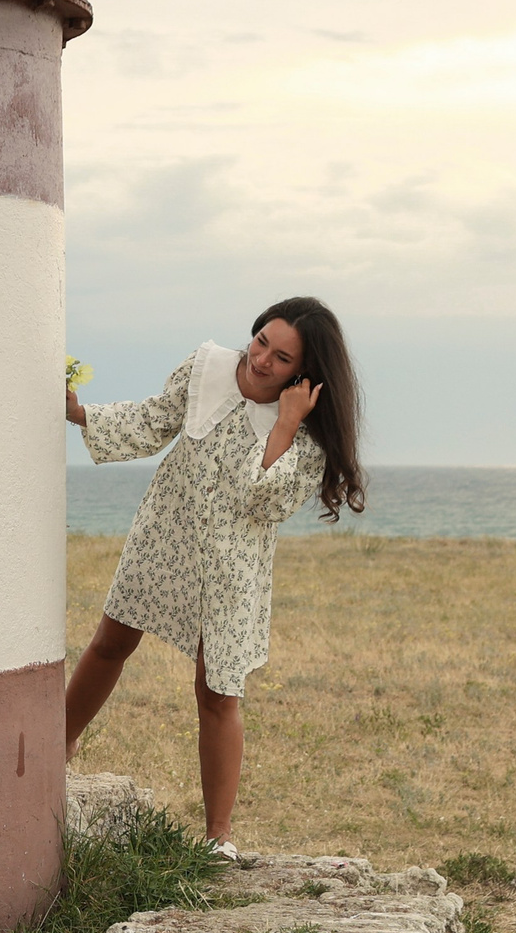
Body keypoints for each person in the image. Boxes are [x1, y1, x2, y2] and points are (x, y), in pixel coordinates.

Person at [64, 297, 365, 858]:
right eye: (260, 342)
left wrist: (289, 420)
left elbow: (263, 500)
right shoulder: (205, 368)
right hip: (165, 534)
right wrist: (80, 413)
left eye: (281, 358)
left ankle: (217, 837)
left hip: (232, 566)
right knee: (110, 642)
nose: (261, 360)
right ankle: (59, 742)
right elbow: (155, 420)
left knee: (217, 691)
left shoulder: (307, 443)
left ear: (304, 374)